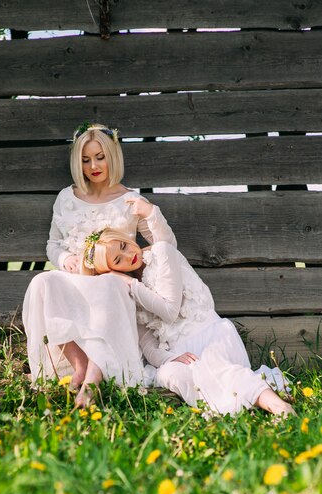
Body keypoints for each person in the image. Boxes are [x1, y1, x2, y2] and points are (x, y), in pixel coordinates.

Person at [22, 123, 176, 406]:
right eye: (85, 160)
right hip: (75, 280)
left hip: (113, 286)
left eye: (100, 157)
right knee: (41, 282)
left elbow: (166, 246)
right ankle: (78, 363)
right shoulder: (66, 199)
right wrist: (65, 259)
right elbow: (53, 245)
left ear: (112, 157)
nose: (93, 165)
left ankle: (95, 375)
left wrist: (152, 214)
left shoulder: (130, 200)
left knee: (107, 282)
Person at [85, 228, 295, 417]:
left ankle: (279, 407)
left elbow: (169, 311)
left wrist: (131, 283)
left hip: (211, 335)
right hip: (180, 352)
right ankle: (229, 408)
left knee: (216, 367)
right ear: (114, 271)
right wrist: (171, 357)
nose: (128, 256)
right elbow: (148, 345)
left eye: (123, 246)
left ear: (126, 238)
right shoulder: (130, 295)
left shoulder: (162, 254)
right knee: (169, 373)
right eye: (118, 261)